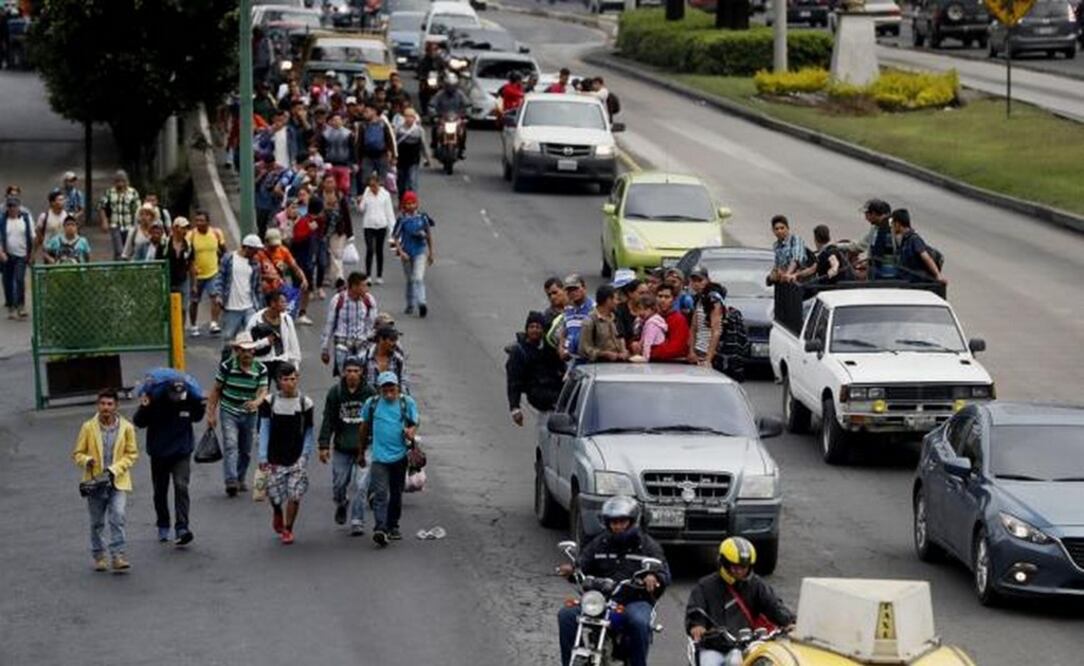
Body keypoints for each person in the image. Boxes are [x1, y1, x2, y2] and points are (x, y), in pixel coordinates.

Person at [556, 496, 670, 666]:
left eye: (621, 521)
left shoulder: (647, 545)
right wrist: (572, 571)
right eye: (612, 522)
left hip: (634, 599)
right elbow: (582, 565)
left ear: (632, 521)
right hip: (601, 600)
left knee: (639, 622)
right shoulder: (599, 542)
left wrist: (653, 576)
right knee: (566, 615)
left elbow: (663, 572)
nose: (616, 526)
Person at [685, 537, 795, 666]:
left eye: (744, 567)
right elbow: (695, 610)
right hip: (713, 646)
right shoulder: (705, 586)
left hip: (746, 645)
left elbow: (773, 605)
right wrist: (697, 625)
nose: (739, 571)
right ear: (724, 562)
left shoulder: (756, 585)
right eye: (734, 566)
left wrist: (789, 622)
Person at [72, 389, 139, 572]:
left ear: (116, 406)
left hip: (117, 481)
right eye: (102, 404)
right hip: (95, 483)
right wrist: (87, 460)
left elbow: (132, 454)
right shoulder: (88, 427)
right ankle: (99, 555)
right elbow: (77, 453)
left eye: (109, 404)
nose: (106, 408)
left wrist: (115, 469)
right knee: (97, 522)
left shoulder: (126, 427)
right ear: (98, 405)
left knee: (117, 516)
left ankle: (118, 555)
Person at [133, 380, 205, 546]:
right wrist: (144, 406)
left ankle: (182, 527)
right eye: (174, 394)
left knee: (181, 486)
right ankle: (163, 523)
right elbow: (139, 422)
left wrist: (199, 405)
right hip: (159, 452)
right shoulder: (154, 400)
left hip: (181, 451)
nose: (177, 398)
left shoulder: (189, 400)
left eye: (180, 394)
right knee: (160, 490)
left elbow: (197, 417)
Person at [358, 371, 420, 547]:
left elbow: (415, 421)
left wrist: (411, 431)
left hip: (400, 457)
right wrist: (361, 452)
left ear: (397, 388)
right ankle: (380, 528)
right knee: (380, 494)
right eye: (385, 390)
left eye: (392, 389)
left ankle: (393, 525)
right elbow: (363, 428)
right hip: (379, 458)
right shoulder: (372, 404)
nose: (389, 393)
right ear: (379, 390)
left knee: (396, 494)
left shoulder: (406, 403)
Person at [257, 363, 315, 545]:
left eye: (293, 379)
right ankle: (277, 511)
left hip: (296, 456)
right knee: (275, 494)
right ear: (278, 382)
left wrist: (305, 454)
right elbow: (264, 428)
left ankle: (288, 529)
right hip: (275, 457)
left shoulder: (305, 403)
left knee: (294, 495)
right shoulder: (269, 402)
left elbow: (308, 431)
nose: (290, 383)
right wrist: (262, 456)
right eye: (285, 379)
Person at [318, 356, 376, 536]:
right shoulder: (335, 393)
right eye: (349, 371)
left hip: (364, 447)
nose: (352, 375)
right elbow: (328, 419)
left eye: (356, 371)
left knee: (361, 485)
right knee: (339, 484)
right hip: (342, 446)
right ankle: (342, 503)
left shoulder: (370, 393)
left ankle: (357, 520)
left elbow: (377, 420)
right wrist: (324, 445)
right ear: (343, 372)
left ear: (362, 373)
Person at [207, 332, 268, 497]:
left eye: (249, 350)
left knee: (246, 450)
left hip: (249, 413)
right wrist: (211, 414)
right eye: (242, 350)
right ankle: (231, 480)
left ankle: (240, 478)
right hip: (229, 411)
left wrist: (256, 402)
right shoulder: (227, 367)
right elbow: (216, 390)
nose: (247, 354)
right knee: (231, 445)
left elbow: (263, 391)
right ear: (236, 351)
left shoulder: (261, 369)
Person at [506, 311, 565, 438]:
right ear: (526, 329)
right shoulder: (519, 352)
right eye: (531, 327)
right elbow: (513, 382)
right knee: (547, 430)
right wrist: (515, 408)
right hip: (538, 395)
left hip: (557, 390)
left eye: (538, 327)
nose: (535, 330)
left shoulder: (549, 347)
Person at [320, 271, 378, 375]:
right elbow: (329, 325)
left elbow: (372, 326)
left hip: (362, 346)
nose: (367, 289)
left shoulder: (369, 300)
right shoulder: (338, 300)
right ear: (354, 286)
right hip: (342, 345)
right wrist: (325, 349)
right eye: (363, 286)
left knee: (361, 377)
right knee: (345, 377)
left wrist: (373, 348)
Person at [212, 234, 265, 343]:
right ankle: (227, 360)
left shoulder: (255, 264)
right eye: (254, 250)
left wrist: (260, 307)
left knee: (251, 337)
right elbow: (220, 277)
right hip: (232, 307)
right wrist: (218, 295)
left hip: (250, 306)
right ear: (246, 248)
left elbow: (257, 287)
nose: (256, 253)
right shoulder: (229, 258)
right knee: (228, 338)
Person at [391, 191, 435, 318]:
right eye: (408, 203)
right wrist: (400, 252)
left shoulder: (422, 218)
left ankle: (422, 302)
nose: (410, 206)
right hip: (406, 253)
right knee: (410, 280)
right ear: (404, 205)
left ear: (417, 204)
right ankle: (410, 304)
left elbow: (429, 235)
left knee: (418, 278)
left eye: (413, 203)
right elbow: (395, 237)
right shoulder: (402, 219)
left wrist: (431, 252)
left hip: (420, 252)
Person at [187, 210, 228, 336]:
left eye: (202, 220)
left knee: (215, 297)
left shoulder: (216, 233)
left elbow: (224, 250)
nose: (199, 223)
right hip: (197, 274)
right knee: (194, 300)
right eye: (197, 220)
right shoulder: (191, 235)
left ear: (208, 222)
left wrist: (223, 267)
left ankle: (214, 323)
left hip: (213, 271)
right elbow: (188, 255)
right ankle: (194, 325)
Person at [248, 290, 302, 384]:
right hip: (262, 361)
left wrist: (295, 366)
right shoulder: (256, 319)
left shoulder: (286, 319)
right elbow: (248, 344)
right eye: (282, 302)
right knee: (262, 392)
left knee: (286, 388)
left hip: (282, 360)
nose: (286, 304)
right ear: (273, 303)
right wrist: (265, 342)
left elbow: (293, 342)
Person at [840, 198, 898, 280]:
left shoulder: (893, 227)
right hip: (876, 275)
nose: (865, 218)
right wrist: (837, 246)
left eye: (866, 214)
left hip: (890, 277)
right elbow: (860, 246)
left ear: (873, 213)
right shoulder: (875, 229)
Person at [315, 172, 353, 289]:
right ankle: (326, 276)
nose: (330, 185)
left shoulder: (340, 196)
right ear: (323, 184)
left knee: (336, 254)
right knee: (324, 255)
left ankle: (339, 278)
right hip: (322, 231)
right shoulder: (318, 197)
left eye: (332, 182)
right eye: (328, 182)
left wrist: (350, 233)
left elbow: (346, 214)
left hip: (338, 230)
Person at [358, 171, 396, 284]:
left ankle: (379, 275)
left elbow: (389, 213)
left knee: (379, 250)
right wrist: (361, 200)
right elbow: (361, 209)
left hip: (381, 225)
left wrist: (392, 230)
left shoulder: (385, 195)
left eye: (374, 186)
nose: (372, 188)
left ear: (379, 184)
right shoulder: (366, 193)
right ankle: (368, 275)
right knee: (370, 249)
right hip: (368, 225)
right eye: (370, 186)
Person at [892, 209, 946, 284]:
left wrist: (938, 275)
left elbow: (926, 257)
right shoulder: (904, 240)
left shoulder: (914, 239)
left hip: (917, 283)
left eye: (892, 223)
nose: (891, 226)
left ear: (897, 223)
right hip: (908, 282)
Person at [578, 284, 628, 363]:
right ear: (608, 300)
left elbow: (621, 337)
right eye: (615, 299)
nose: (617, 302)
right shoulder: (590, 321)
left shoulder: (616, 318)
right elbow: (584, 349)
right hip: (599, 367)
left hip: (619, 365)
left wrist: (624, 351)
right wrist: (603, 354)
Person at [1, 195, 33, 319]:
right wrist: (1, 253)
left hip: (22, 255)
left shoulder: (25, 218)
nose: (12, 208)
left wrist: (32, 254)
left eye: (14, 206)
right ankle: (11, 305)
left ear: (19, 207)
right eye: (10, 206)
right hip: (7, 255)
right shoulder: (2, 220)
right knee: (8, 281)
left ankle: (20, 305)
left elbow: (32, 236)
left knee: (19, 279)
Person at [98, 169, 141, 260]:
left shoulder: (133, 192)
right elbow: (102, 206)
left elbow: (138, 209)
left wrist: (138, 224)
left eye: (122, 181)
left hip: (129, 225)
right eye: (118, 181)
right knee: (119, 250)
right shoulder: (110, 192)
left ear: (126, 181)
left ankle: (120, 269)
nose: (120, 184)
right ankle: (120, 268)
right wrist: (104, 221)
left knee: (128, 250)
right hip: (115, 225)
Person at [688, 266, 725, 368]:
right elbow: (693, 327)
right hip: (698, 352)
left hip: (709, 354)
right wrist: (691, 351)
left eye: (700, 280)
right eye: (693, 280)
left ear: (707, 280)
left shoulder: (713, 299)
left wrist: (708, 359)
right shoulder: (699, 299)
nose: (696, 284)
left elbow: (716, 331)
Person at [427, 74, 470, 157]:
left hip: (456, 118)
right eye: (449, 85)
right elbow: (431, 105)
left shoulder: (460, 94)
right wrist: (434, 116)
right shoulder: (439, 94)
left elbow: (468, 105)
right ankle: (434, 147)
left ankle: (461, 148)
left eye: (453, 85)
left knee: (463, 131)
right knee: (435, 129)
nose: (451, 88)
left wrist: (466, 116)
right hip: (442, 118)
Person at [649, 283, 691, 362]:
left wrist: (649, 351)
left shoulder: (679, 320)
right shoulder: (650, 317)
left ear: (674, 299)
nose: (662, 300)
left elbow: (675, 349)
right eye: (660, 296)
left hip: (674, 365)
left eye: (667, 297)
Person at [557, 274, 594, 363]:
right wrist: (561, 348)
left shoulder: (593, 309)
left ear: (584, 288)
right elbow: (564, 331)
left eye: (575, 289)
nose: (572, 293)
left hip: (588, 361)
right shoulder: (568, 309)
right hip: (572, 361)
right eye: (569, 290)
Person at [357, 103, 396, 184]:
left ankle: (381, 196)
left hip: (382, 156)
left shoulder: (383, 124)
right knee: (366, 181)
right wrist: (357, 159)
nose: (365, 114)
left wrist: (393, 156)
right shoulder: (362, 126)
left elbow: (389, 140)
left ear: (374, 112)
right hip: (367, 156)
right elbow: (359, 143)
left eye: (367, 111)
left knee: (382, 181)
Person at [318, 111, 355, 194]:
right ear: (331, 121)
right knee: (331, 186)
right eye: (334, 120)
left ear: (342, 121)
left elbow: (352, 149)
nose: (336, 122)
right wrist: (325, 159)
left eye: (338, 120)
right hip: (330, 163)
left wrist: (352, 163)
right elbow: (321, 148)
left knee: (344, 187)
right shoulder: (325, 134)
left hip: (344, 163)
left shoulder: (348, 134)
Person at [395, 107, 428, 198]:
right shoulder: (398, 130)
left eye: (411, 116)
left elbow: (423, 145)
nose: (409, 118)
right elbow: (393, 144)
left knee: (412, 181)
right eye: (406, 116)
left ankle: (412, 202)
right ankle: (401, 200)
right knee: (401, 182)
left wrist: (427, 158)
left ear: (414, 118)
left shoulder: (419, 131)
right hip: (401, 160)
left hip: (413, 160)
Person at [768, 215, 806, 285]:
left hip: (797, 283)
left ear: (787, 228)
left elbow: (796, 259)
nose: (779, 231)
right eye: (777, 229)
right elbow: (778, 265)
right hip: (784, 284)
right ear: (773, 231)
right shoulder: (776, 246)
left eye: (782, 228)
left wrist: (788, 274)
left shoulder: (795, 240)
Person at [633, 293, 667, 362]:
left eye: (644, 309)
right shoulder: (646, 321)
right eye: (638, 309)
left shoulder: (651, 324)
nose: (640, 312)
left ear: (652, 309)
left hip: (654, 358)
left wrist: (644, 358)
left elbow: (648, 343)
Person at [34, 189, 67, 258]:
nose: (63, 202)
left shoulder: (67, 216)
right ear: (52, 203)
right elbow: (38, 233)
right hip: (49, 251)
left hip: (65, 250)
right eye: (60, 200)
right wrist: (34, 253)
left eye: (63, 199)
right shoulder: (44, 216)